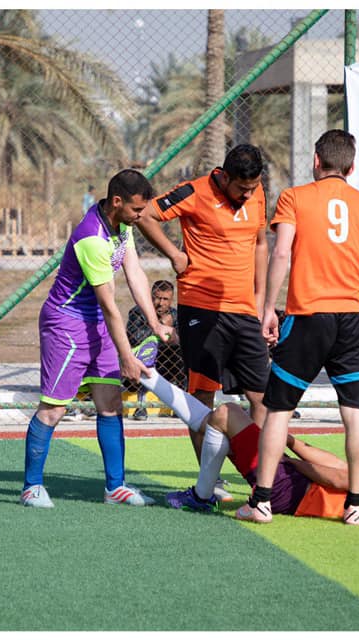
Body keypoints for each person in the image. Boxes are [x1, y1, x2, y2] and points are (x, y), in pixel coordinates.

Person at [239, 129, 359, 526]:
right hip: (353, 321)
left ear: (316, 160)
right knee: (355, 413)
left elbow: (281, 252)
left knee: (278, 411)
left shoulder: (294, 197)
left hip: (307, 317)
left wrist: (268, 308)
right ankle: (356, 505)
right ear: (351, 166)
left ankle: (262, 502)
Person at [19, 169, 173, 509]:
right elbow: (109, 305)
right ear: (117, 202)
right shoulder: (92, 237)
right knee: (54, 409)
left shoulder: (122, 226)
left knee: (110, 403)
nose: (141, 216)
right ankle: (31, 487)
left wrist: (154, 322)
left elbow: (135, 272)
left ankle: (115, 488)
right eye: (136, 209)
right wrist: (127, 356)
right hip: (66, 324)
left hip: (97, 323)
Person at [135, 371, 359, 518]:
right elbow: (341, 465)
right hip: (296, 487)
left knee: (227, 414)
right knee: (225, 418)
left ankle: (200, 496)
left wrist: (288, 463)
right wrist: (288, 441)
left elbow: (343, 479)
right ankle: (148, 375)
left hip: (293, 489)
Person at [136, 144, 271, 500]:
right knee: (202, 396)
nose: (248, 194)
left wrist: (260, 299)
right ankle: (209, 483)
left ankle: (259, 475)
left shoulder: (258, 193)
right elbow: (146, 215)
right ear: (224, 177)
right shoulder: (193, 192)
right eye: (242, 188)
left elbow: (260, 243)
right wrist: (174, 254)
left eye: (253, 187)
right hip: (202, 309)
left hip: (245, 311)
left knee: (262, 397)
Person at [126, 280, 184, 419]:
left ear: (171, 300)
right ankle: (141, 406)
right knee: (148, 352)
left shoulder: (174, 315)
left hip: (168, 361)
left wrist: (173, 332)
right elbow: (134, 338)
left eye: (165, 299)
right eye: (157, 298)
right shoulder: (138, 312)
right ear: (150, 297)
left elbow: (182, 339)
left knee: (183, 355)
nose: (161, 303)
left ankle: (181, 407)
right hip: (141, 361)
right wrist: (159, 326)